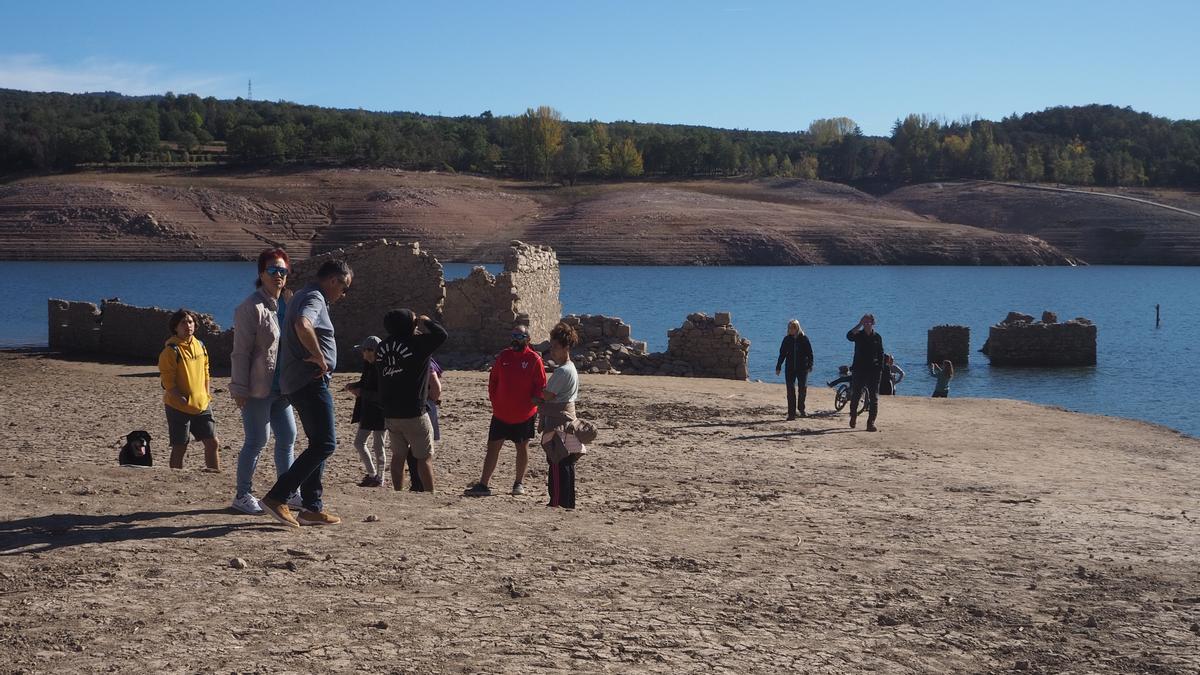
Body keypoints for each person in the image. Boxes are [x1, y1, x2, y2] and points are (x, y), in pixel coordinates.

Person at [260, 259, 353, 528]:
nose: (343, 295)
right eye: (344, 287)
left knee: (317, 444)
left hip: (298, 381)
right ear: (333, 280)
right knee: (326, 444)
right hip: (309, 381)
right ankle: (277, 497)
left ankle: (312, 507)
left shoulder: (301, 293)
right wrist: (318, 356)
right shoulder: (315, 297)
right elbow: (303, 324)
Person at [229, 248, 299, 514]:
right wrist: (239, 387)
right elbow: (241, 351)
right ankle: (243, 494)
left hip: (283, 387)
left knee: (288, 437)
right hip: (258, 388)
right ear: (261, 274)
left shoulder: (288, 305)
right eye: (273, 270)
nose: (278, 275)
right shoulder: (251, 307)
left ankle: (288, 492)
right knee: (257, 440)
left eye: (282, 270)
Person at [464, 323, 547, 497]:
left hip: (524, 415)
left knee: (522, 448)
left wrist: (535, 400)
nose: (515, 340)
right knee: (493, 448)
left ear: (528, 339)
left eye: (520, 336)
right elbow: (493, 380)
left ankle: (518, 483)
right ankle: (483, 484)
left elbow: (541, 385)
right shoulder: (503, 356)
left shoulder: (534, 359)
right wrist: (494, 399)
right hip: (501, 414)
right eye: (514, 336)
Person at [378, 309, 447, 493]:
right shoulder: (418, 344)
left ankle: (398, 491)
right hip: (414, 410)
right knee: (424, 457)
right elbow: (441, 335)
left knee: (398, 455)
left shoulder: (381, 348)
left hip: (391, 411)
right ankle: (430, 494)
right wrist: (425, 321)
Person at [158, 309, 220, 471]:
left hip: (202, 404)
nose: (188, 326)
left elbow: (206, 370)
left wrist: (206, 393)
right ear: (175, 327)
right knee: (180, 446)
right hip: (178, 407)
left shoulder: (200, 345)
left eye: (190, 322)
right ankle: (175, 478)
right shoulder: (171, 351)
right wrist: (180, 398)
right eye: (183, 323)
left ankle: (214, 475)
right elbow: (167, 380)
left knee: (212, 443)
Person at [538, 322, 585, 509]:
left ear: (565, 347)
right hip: (568, 420)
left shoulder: (562, 371)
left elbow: (547, 395)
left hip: (558, 422)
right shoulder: (571, 368)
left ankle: (557, 500)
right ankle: (567, 501)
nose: (552, 352)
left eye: (555, 347)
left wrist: (535, 395)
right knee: (566, 461)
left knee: (557, 462)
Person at [347, 336, 386, 488]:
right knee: (359, 443)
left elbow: (381, 394)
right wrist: (354, 385)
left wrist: (361, 392)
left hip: (379, 412)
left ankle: (380, 478)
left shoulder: (382, 368)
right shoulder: (368, 366)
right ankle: (372, 474)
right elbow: (364, 384)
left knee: (378, 446)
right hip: (368, 411)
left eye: (364, 351)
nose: (362, 354)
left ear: (371, 351)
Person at [407, 358, 443, 492]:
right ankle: (420, 483)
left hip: (423, 405)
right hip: (426, 404)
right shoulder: (428, 360)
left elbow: (435, 387)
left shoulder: (424, 361)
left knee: (419, 448)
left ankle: (419, 483)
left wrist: (429, 399)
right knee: (422, 447)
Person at [846, 313, 885, 432]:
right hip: (859, 369)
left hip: (873, 371)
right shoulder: (859, 335)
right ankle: (853, 416)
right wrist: (859, 324)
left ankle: (870, 423)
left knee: (874, 398)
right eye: (865, 322)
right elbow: (848, 336)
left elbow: (881, 353)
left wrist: (880, 368)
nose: (867, 324)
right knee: (856, 395)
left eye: (869, 322)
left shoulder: (877, 337)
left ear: (873, 323)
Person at [775, 319, 814, 420]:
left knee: (802, 389)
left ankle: (801, 409)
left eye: (793, 327)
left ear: (797, 328)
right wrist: (778, 366)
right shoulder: (787, 339)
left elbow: (810, 353)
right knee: (790, 390)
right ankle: (791, 414)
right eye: (790, 328)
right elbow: (782, 354)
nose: (791, 329)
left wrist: (810, 365)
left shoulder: (804, 339)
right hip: (790, 368)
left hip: (802, 368)